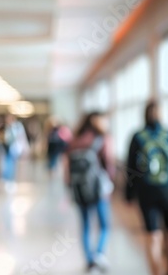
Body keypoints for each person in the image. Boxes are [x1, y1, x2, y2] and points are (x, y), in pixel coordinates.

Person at [125, 100, 168, 275]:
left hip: (146, 193)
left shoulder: (137, 137)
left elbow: (131, 169)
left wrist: (128, 194)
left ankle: (156, 272)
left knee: (152, 235)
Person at [64, 111, 115, 273]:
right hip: (98, 189)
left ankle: (89, 260)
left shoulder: (75, 140)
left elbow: (67, 167)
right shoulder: (102, 138)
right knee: (104, 225)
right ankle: (99, 254)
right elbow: (108, 163)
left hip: (79, 188)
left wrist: (69, 187)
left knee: (85, 225)